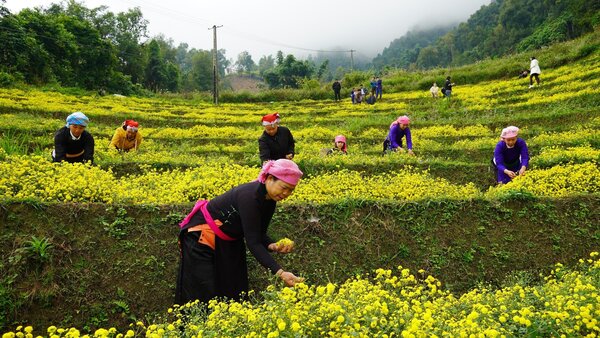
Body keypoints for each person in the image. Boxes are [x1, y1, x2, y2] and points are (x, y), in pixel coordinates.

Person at [175, 159, 304, 305]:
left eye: (291, 190)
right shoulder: (249, 196)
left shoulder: (270, 200)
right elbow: (253, 242)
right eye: (284, 187)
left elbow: (259, 234)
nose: (286, 193)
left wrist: (273, 245)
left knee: (234, 287)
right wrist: (280, 273)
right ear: (269, 178)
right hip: (202, 237)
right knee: (202, 290)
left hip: (227, 239)